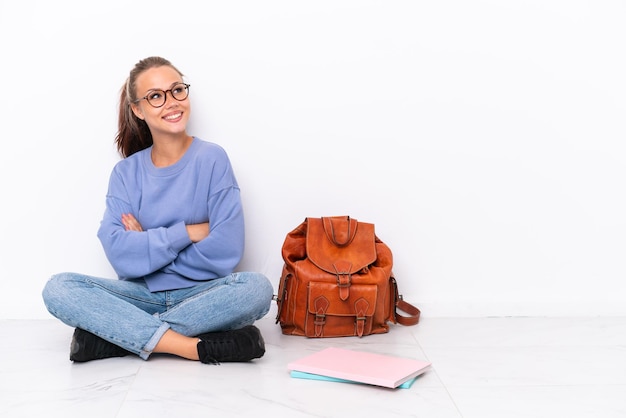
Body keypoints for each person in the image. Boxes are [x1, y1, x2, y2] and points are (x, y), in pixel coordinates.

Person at [42, 56, 274, 364]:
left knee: (256, 289)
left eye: (177, 90)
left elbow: (226, 249)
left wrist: (149, 247)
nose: (171, 102)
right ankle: (190, 346)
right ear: (138, 109)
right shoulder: (126, 173)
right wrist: (189, 232)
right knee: (59, 288)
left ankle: (115, 339)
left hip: (202, 294)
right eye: (155, 96)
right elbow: (120, 254)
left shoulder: (212, 159)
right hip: (140, 296)